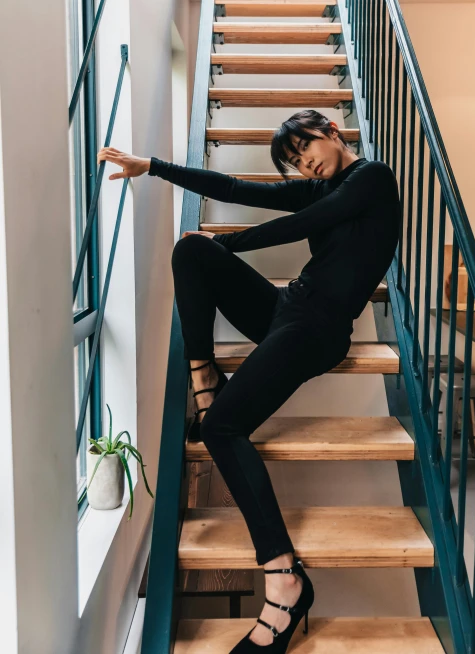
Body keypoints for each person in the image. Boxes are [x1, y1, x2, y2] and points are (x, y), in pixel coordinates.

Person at [98, 110, 401, 653]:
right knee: (192, 249)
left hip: (319, 327)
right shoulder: (322, 187)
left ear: (331, 129)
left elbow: (305, 224)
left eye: (304, 146)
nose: (302, 161)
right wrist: (154, 167)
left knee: (221, 431)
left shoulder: (372, 179)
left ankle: (285, 580)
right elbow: (235, 186)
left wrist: (232, 243)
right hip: (288, 307)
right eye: (292, 160)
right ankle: (202, 374)